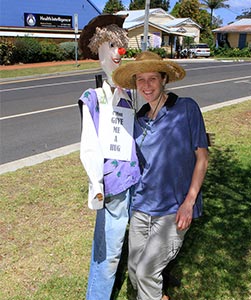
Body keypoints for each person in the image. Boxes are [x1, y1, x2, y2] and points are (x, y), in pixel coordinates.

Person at [112, 51, 209, 300]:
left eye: (152, 78)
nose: (146, 85)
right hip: (143, 207)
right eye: (140, 79)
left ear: (163, 79)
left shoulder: (186, 108)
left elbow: (202, 158)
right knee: (134, 270)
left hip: (174, 209)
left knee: (146, 272)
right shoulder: (137, 120)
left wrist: (189, 202)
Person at [78, 14, 140, 300]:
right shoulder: (91, 97)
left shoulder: (128, 94)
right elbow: (89, 144)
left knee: (135, 242)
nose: (118, 52)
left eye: (120, 46)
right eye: (112, 45)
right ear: (99, 47)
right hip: (111, 187)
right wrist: (96, 184)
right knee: (109, 253)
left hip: (135, 181)